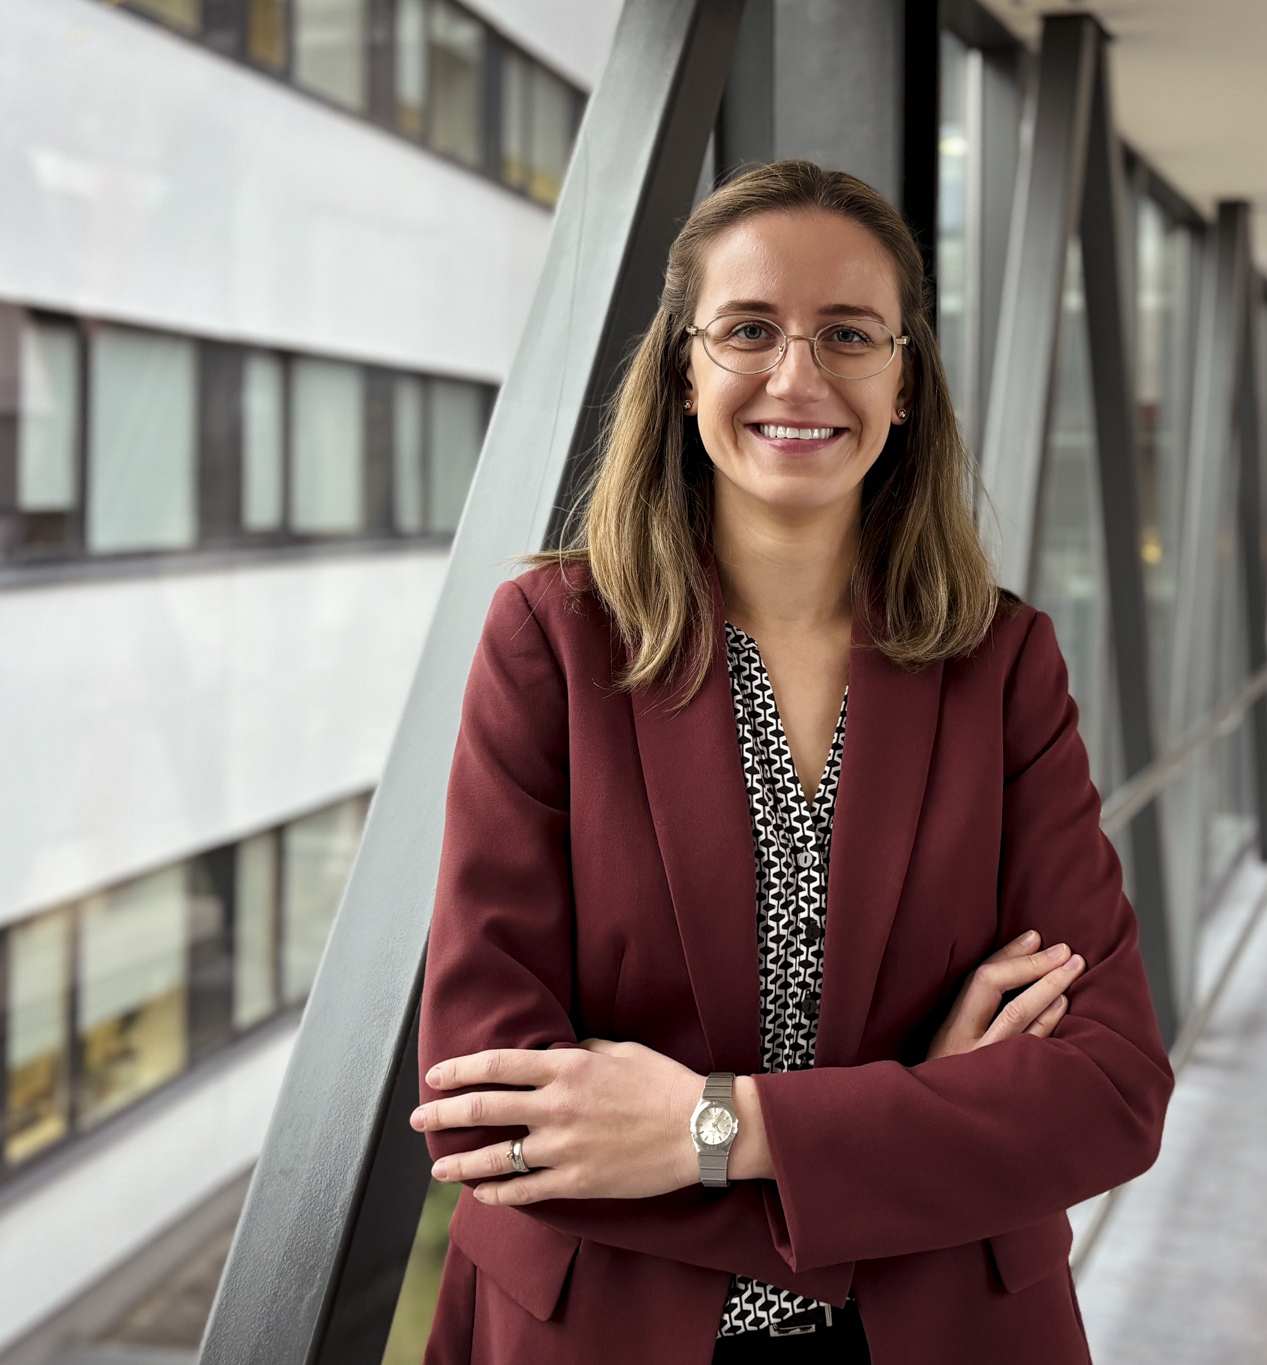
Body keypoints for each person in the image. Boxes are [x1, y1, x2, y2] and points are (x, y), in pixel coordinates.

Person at [408, 160, 1172, 1364]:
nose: (797, 377)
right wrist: (917, 1127)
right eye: (749, 329)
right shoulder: (549, 643)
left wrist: (710, 1127)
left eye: (848, 334)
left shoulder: (1001, 666)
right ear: (683, 369)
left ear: (904, 383)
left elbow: (1111, 1090)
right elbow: (485, 1117)